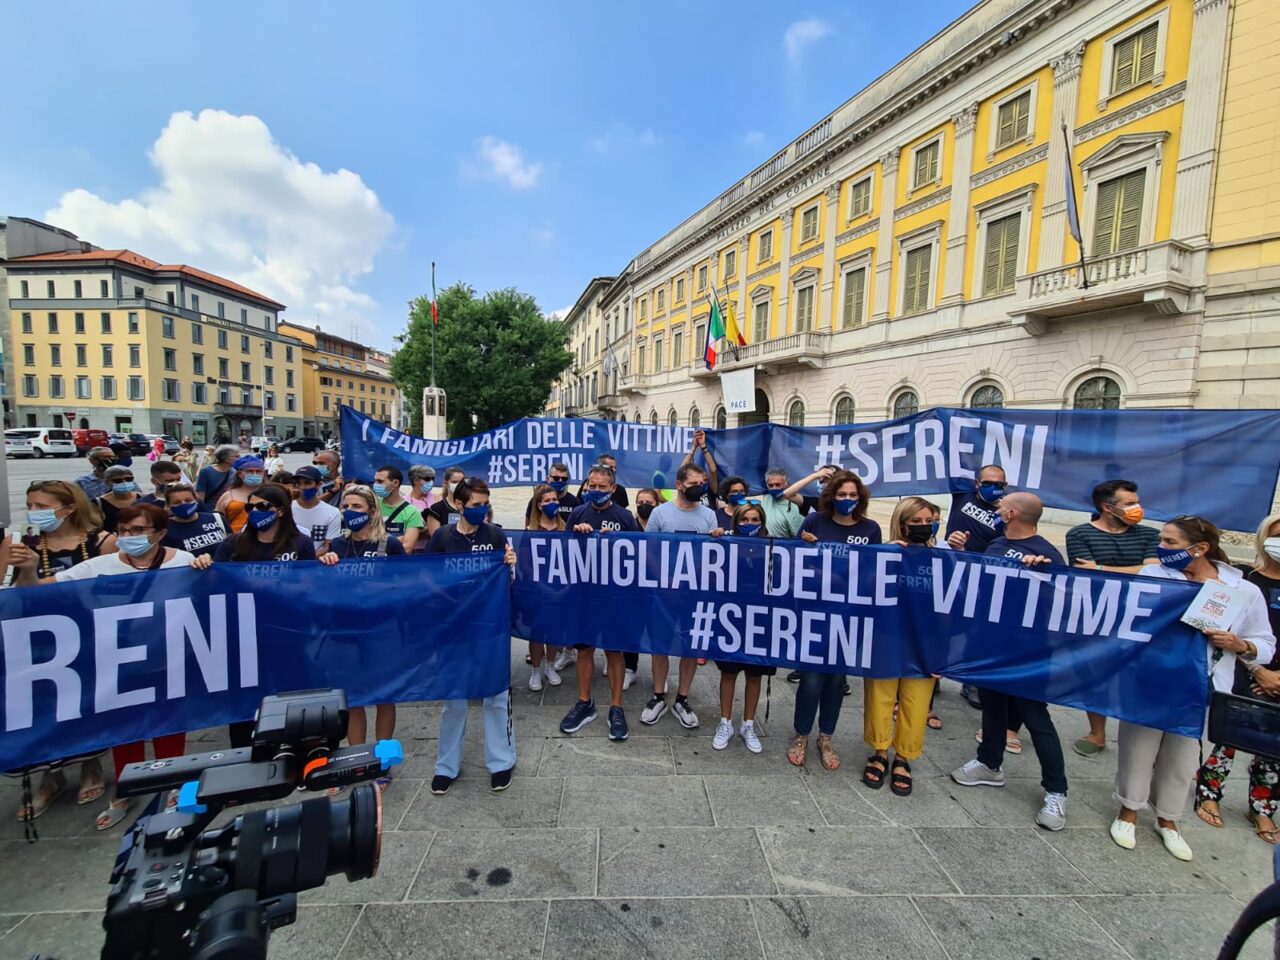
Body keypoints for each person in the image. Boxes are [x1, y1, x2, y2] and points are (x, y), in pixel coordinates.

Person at [28, 503, 209, 829]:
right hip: (117, 665)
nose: (128, 536)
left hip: (168, 662)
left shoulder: (184, 562)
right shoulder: (98, 567)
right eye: (124, 530)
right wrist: (28, 571)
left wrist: (207, 567)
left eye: (138, 530)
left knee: (170, 727)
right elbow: (37, 591)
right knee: (125, 731)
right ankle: (126, 790)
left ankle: (174, 785)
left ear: (160, 533)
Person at [1111, 515, 1275, 860]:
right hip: (1154, 678)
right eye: (1162, 540)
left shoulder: (1242, 589)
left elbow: (1264, 641)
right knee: (1138, 746)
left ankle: (1168, 819)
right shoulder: (1155, 576)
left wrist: (1240, 644)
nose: (1162, 547)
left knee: (1183, 756)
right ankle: (1128, 810)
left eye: (1170, 542)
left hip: (1204, 685)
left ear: (1199, 548)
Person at [950, 492, 1070, 831]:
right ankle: (989, 763)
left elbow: (1062, 601)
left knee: (1035, 717)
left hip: (1028, 651)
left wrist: (1042, 575)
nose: (996, 510)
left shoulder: (1046, 554)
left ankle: (1056, 791)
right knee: (992, 707)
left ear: (1011, 514)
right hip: (992, 644)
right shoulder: (997, 544)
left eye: (1001, 508)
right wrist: (962, 552)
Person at [8, 480, 117, 819]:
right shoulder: (22, 544)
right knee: (43, 704)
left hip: (87, 633)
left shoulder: (101, 541)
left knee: (86, 702)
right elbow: (14, 594)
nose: (34, 512)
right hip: (38, 638)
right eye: (31, 505)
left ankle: (90, 766)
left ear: (69, 508)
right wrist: (26, 570)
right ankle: (49, 776)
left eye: (42, 506)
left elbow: (115, 588)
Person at [424, 477, 518, 794]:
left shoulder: (495, 535)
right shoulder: (442, 537)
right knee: (454, 701)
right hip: (453, 630)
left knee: (496, 696)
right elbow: (427, 579)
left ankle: (501, 762)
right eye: (476, 504)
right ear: (459, 505)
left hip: (489, 628)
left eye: (486, 503)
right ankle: (446, 766)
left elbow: (507, 583)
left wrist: (510, 567)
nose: (482, 509)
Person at [787, 471, 881, 771]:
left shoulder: (870, 529)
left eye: (852, 495)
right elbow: (795, 562)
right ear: (831, 497)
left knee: (837, 682)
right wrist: (807, 550)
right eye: (841, 495)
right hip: (815, 615)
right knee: (811, 681)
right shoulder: (815, 522)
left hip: (848, 617)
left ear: (860, 498)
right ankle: (802, 734)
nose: (847, 499)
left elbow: (873, 571)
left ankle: (826, 737)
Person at [1196, 512, 1280, 845]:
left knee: (1273, 745)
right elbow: (1222, 629)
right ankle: (1208, 793)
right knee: (1228, 737)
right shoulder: (1243, 579)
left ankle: (1263, 808)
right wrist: (1259, 670)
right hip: (1242, 670)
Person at [213, 483, 317, 747]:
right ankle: (244, 750)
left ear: (280, 511)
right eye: (250, 507)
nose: (254, 511)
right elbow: (218, 583)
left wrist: (261, 584)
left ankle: (292, 746)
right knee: (244, 695)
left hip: (288, 631)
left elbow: (307, 585)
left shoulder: (300, 544)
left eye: (262, 506)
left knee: (292, 689)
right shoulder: (233, 545)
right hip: (243, 633)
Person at [1065, 479, 1161, 758]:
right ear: (1108, 508)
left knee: (1142, 677)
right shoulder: (1079, 534)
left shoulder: (1150, 535)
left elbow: (1152, 572)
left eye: (1136, 502)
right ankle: (1097, 733)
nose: (1137, 508)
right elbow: (1086, 573)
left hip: (1143, 617)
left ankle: (1148, 741)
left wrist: (1101, 567)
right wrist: (1123, 570)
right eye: (1129, 503)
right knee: (1094, 674)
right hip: (1098, 616)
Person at [319, 485, 404, 787]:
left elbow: (405, 584)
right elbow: (324, 585)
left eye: (356, 507)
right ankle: (357, 759)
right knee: (352, 698)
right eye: (346, 506)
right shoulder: (338, 545)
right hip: (345, 630)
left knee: (384, 695)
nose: (350, 511)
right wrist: (325, 563)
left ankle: (381, 761)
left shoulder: (389, 544)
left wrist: (380, 587)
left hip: (381, 628)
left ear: (371, 510)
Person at [860, 497, 943, 796]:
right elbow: (862, 585)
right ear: (902, 524)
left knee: (916, 703)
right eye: (916, 521)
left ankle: (904, 757)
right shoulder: (886, 553)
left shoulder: (944, 558)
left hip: (926, 642)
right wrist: (883, 555)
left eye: (928, 521)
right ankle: (880, 751)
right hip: (887, 636)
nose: (923, 526)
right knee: (880, 697)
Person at [558, 464, 639, 741]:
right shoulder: (578, 513)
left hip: (614, 596)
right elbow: (563, 553)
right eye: (591, 485)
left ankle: (616, 707)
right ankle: (585, 702)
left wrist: (616, 542)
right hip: (584, 595)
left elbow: (638, 555)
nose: (595, 490)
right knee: (585, 650)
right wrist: (577, 536)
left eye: (601, 486)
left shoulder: (625, 517)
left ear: (612, 488)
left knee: (614, 651)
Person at [640, 463, 718, 729]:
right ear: (679, 485)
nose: (700, 487)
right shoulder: (660, 513)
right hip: (663, 595)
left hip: (694, 595)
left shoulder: (709, 515)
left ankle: (682, 699)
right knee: (659, 647)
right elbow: (648, 552)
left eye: (702, 483)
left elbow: (711, 556)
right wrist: (666, 583)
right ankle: (658, 696)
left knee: (690, 647)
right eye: (694, 483)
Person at [945, 464, 1008, 709]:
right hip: (950, 567)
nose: (993, 487)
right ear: (977, 484)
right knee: (942, 625)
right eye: (987, 483)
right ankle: (932, 674)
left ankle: (971, 682)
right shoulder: (962, 495)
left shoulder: (1006, 512)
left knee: (976, 630)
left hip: (981, 576)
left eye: (998, 484)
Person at [711, 502, 772, 752]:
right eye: (744, 520)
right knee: (728, 673)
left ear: (762, 522)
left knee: (754, 675)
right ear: (736, 523)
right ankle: (725, 722)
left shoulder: (773, 548)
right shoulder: (726, 545)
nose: (749, 524)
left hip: (760, 620)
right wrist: (714, 540)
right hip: (731, 619)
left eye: (755, 520)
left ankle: (748, 724)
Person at [524, 484, 565, 690]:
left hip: (559, 590)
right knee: (537, 631)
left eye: (555, 500)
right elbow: (525, 565)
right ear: (539, 505)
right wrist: (541, 587)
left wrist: (563, 589)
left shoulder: (565, 528)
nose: (552, 503)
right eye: (547, 501)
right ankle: (536, 669)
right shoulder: (530, 531)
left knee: (554, 630)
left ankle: (550, 665)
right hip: (537, 591)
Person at [162, 482, 228, 557]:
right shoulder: (166, 530)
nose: (183, 504)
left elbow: (232, 545)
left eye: (188, 500)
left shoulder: (217, 518)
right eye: (177, 502)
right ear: (168, 505)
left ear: (196, 500)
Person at [290, 465, 342, 554]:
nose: (302, 487)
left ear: (318, 485)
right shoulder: (287, 508)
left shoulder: (332, 513)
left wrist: (310, 559)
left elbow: (328, 545)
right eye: (298, 483)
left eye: (307, 483)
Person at [374, 466, 423, 552]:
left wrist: (378, 543)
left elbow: (407, 548)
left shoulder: (412, 512)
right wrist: (398, 539)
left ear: (395, 483)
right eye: (375, 481)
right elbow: (363, 540)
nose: (375, 485)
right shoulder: (373, 506)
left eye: (380, 481)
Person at [216, 456, 268, 534]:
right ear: (239, 474)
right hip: (234, 538)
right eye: (249, 471)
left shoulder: (272, 494)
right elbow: (218, 521)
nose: (254, 474)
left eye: (258, 471)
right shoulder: (228, 496)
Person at [95, 464, 140, 534]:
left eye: (128, 479)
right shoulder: (98, 503)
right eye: (118, 481)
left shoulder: (143, 498)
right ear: (107, 482)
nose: (124, 482)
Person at [760, 468, 804, 538]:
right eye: (770, 485)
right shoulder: (763, 499)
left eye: (778, 485)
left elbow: (798, 537)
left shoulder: (794, 506)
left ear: (785, 484)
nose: (774, 488)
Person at [425, 466, 466, 536]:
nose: (459, 485)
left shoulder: (470, 506)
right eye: (454, 482)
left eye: (461, 482)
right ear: (446, 484)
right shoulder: (436, 509)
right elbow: (436, 538)